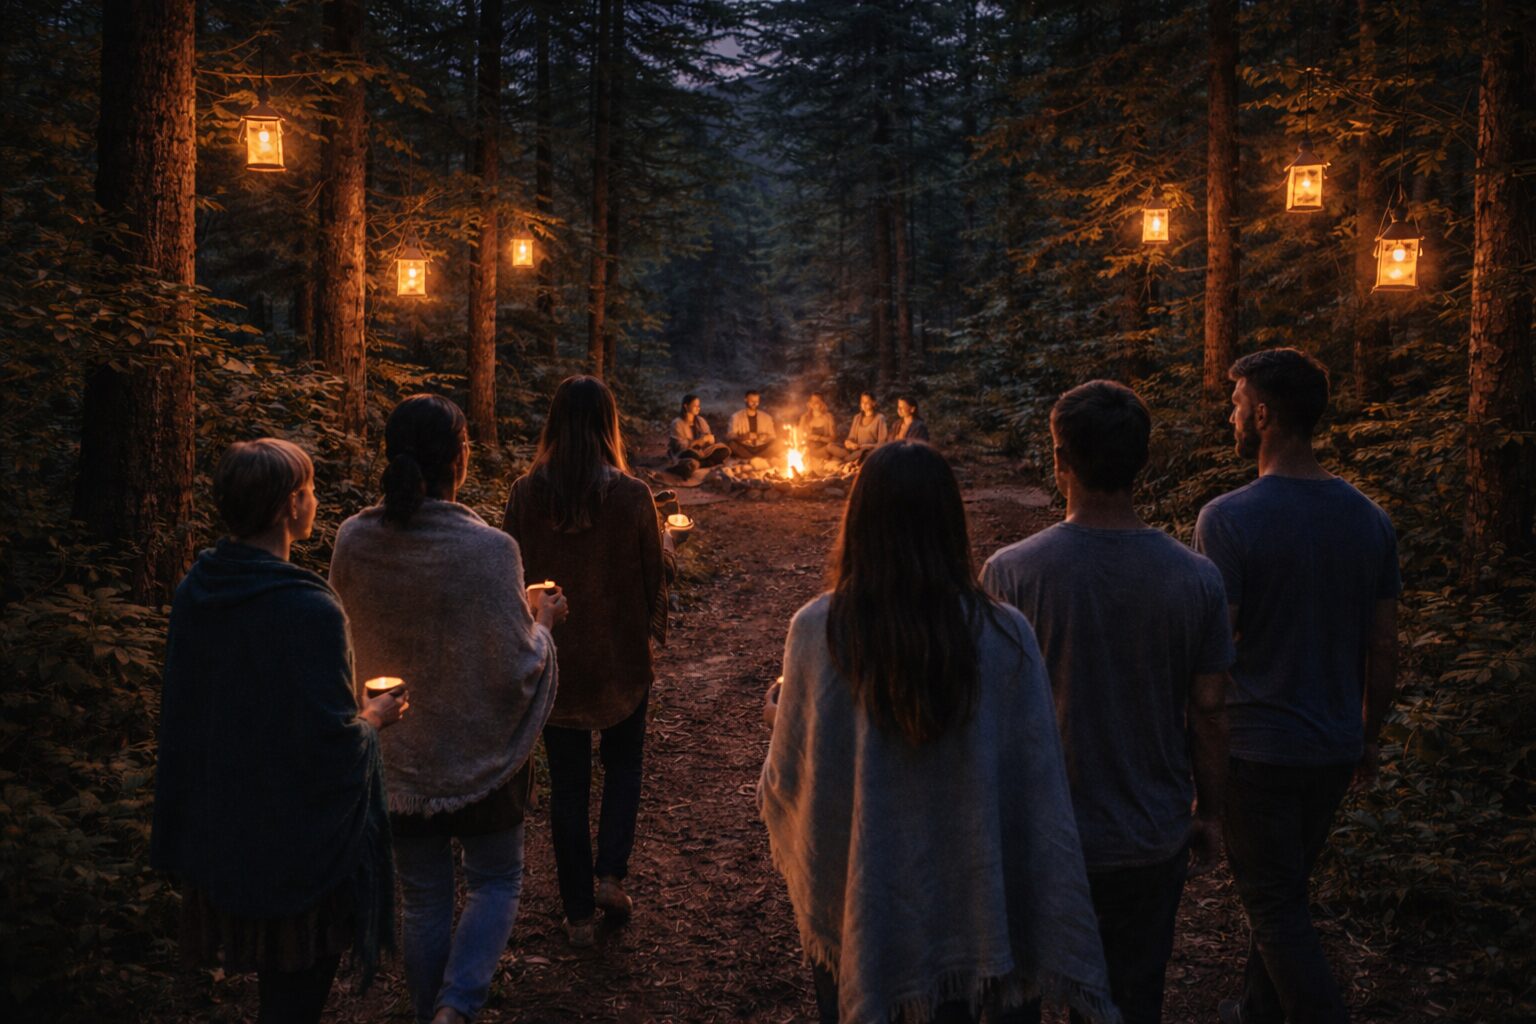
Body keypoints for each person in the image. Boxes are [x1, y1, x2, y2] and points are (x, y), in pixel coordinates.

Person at [759, 441, 1121, 1024]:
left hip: (867, 909)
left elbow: (794, 777)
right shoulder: (1006, 634)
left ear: (859, 520)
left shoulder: (819, 629)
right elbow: (1034, 783)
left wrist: (784, 714)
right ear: (953, 523)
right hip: (973, 914)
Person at [981, 381, 1232, 1024]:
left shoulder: (1011, 573)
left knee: (1014, 1001)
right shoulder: (1197, 578)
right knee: (1129, 1001)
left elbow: (984, 709)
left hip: (1037, 835)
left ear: (1059, 459)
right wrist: (1210, 812)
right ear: (1141, 460)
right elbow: (1209, 709)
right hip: (1147, 838)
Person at [330, 395, 565, 1024]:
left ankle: (427, 1012)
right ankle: (456, 1007)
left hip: (398, 754)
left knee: (423, 898)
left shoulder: (353, 540)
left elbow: (345, 641)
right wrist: (543, 622)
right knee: (495, 881)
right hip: (482, 755)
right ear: (460, 458)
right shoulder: (491, 550)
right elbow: (519, 664)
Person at [152, 438, 403, 1024]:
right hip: (296, 843)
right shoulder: (309, 610)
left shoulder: (199, 590)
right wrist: (373, 719)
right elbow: (328, 747)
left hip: (226, 829)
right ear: (290, 505)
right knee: (295, 998)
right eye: (310, 490)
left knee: (280, 995)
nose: (315, 501)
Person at [1194, 349, 1400, 1024]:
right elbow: (1383, 643)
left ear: (1263, 415)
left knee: (1275, 905)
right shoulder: (1369, 518)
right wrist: (1368, 736)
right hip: (1334, 745)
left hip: (1260, 748)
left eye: (1236, 405)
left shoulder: (1228, 518)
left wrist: (1201, 753)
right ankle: (1257, 1011)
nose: (1230, 417)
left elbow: (1214, 652)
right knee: (1283, 893)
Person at [502, 375, 674, 949]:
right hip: (621, 658)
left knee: (569, 787)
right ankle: (610, 877)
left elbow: (510, 577)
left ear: (553, 424)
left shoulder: (525, 494)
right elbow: (653, 575)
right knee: (624, 767)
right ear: (608, 425)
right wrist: (668, 549)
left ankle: (577, 915)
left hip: (556, 660)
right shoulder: (632, 495)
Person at [667, 394, 730, 476]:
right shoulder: (677, 423)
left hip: (702, 452)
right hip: (685, 452)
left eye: (698, 406)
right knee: (691, 454)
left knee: (724, 451)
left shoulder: (701, 421)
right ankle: (705, 463)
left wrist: (710, 439)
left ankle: (697, 464)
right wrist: (698, 442)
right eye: (695, 406)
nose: (698, 408)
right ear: (686, 406)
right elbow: (680, 446)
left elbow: (708, 437)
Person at [828, 391, 888, 463]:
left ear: (873, 403)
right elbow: (851, 437)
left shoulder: (880, 418)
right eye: (862, 402)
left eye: (867, 402)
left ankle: (846, 459)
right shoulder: (857, 417)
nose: (864, 404)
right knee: (830, 446)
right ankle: (849, 458)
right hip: (854, 449)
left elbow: (882, 443)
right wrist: (849, 443)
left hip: (867, 450)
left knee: (863, 453)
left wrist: (864, 446)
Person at [727, 388, 782, 460]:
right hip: (745, 446)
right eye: (752, 401)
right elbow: (730, 435)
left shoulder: (767, 417)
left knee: (778, 443)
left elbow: (773, 436)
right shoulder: (736, 417)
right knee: (732, 444)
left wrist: (765, 437)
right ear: (745, 400)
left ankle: (751, 458)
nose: (755, 403)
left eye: (757, 401)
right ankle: (757, 458)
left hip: (761, 446)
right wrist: (743, 437)